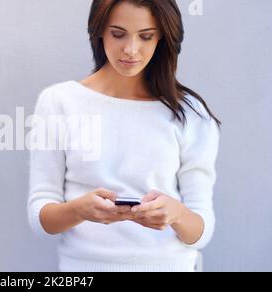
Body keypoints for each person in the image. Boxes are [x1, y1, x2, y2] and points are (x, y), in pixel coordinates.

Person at [27, 0, 222, 272]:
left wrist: (175, 213)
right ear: (99, 32)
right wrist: (79, 210)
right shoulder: (59, 102)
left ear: (162, 38)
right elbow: (41, 218)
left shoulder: (189, 114)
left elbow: (200, 232)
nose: (131, 49)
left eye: (146, 36)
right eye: (118, 34)